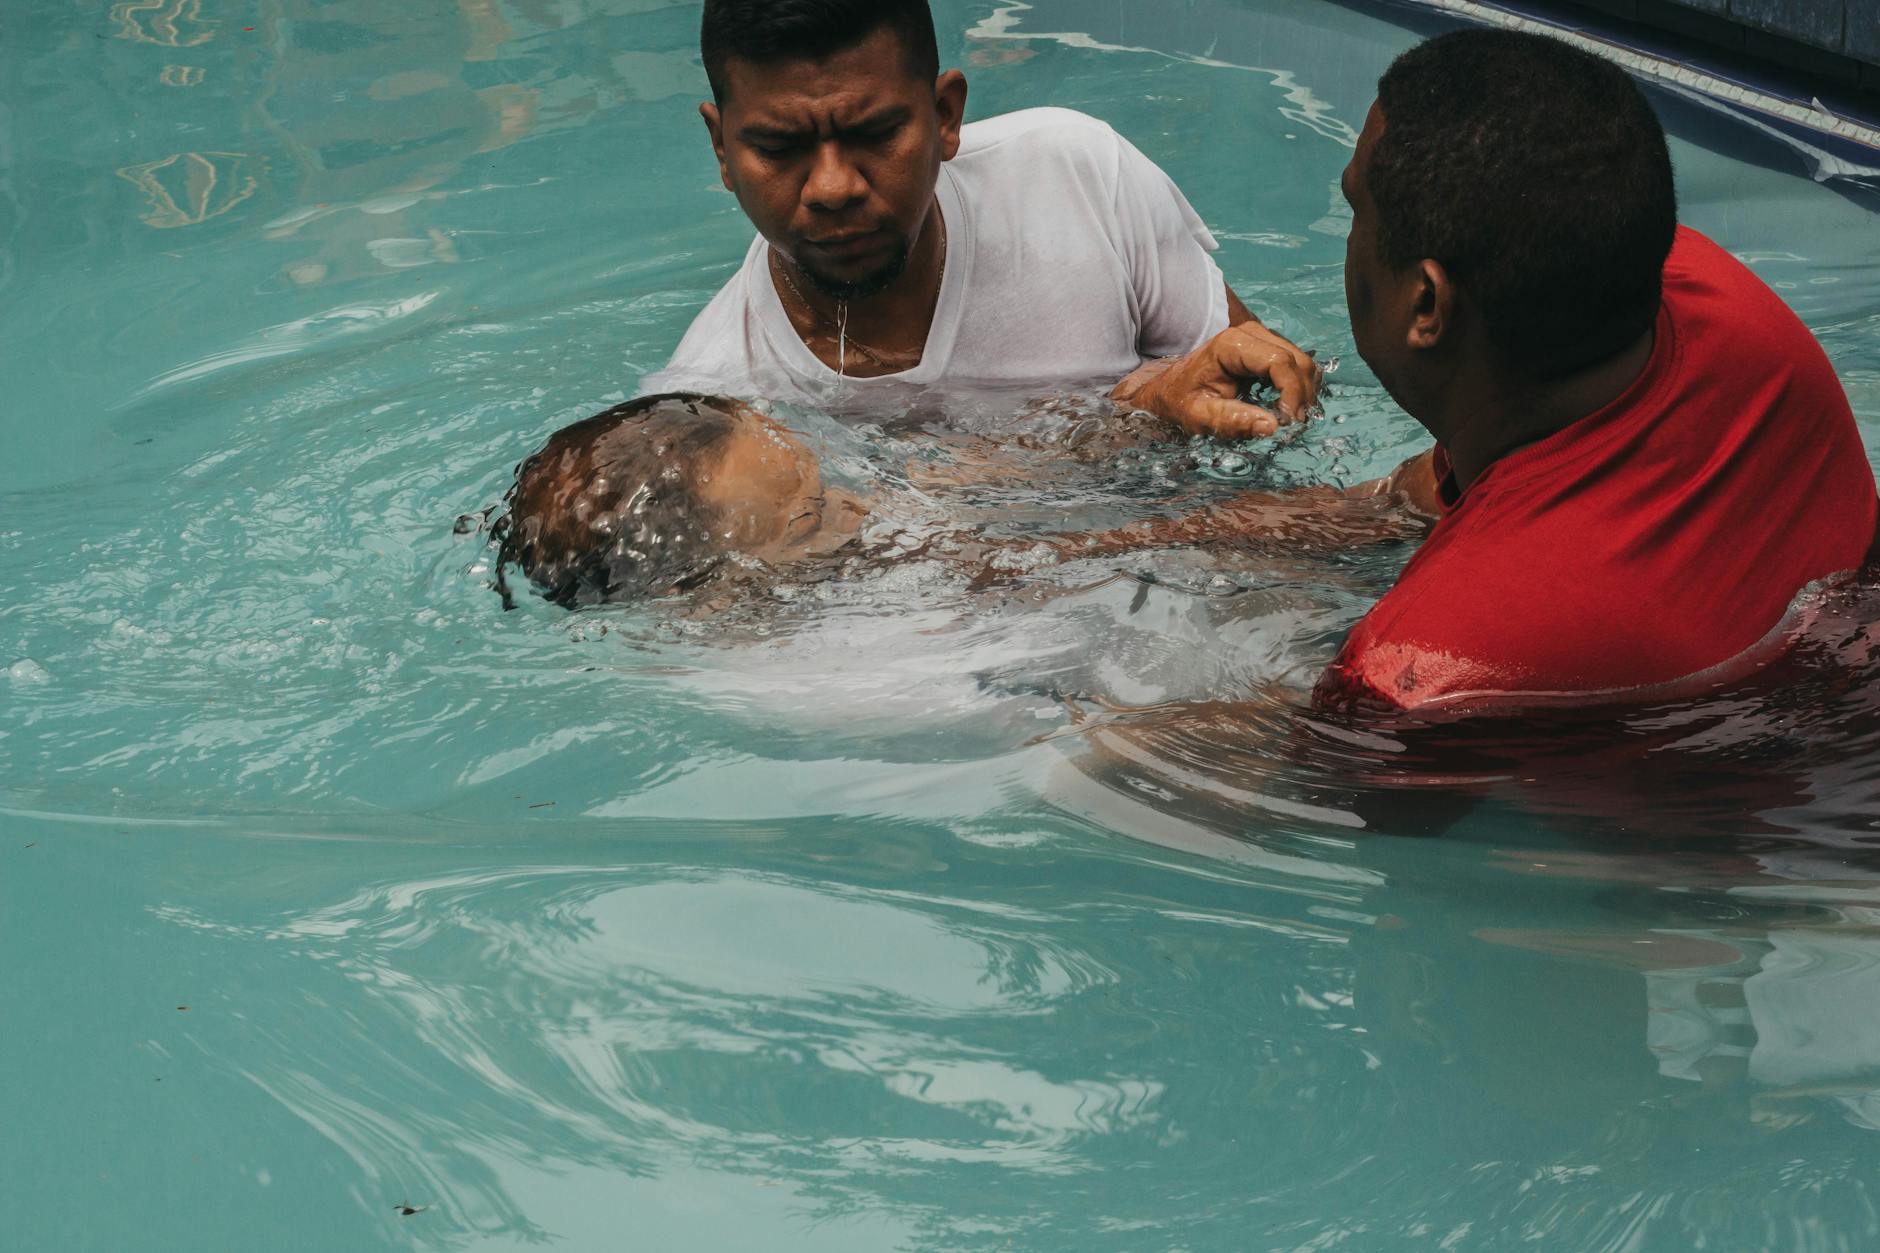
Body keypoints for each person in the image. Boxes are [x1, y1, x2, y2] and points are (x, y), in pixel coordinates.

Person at [1131, 29, 1879, 712]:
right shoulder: (1704, 292)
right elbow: (1416, 497)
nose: (1350, 229)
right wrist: (1150, 431)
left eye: (1355, 205)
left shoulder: (1420, 672)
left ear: (1425, 304)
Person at [644, 0, 1318, 432]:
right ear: (722, 150)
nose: (832, 186)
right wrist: (1139, 413)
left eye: (876, 133)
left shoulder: (1078, 179)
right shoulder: (716, 399)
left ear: (945, 116)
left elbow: (1280, 392)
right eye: (780, 147)